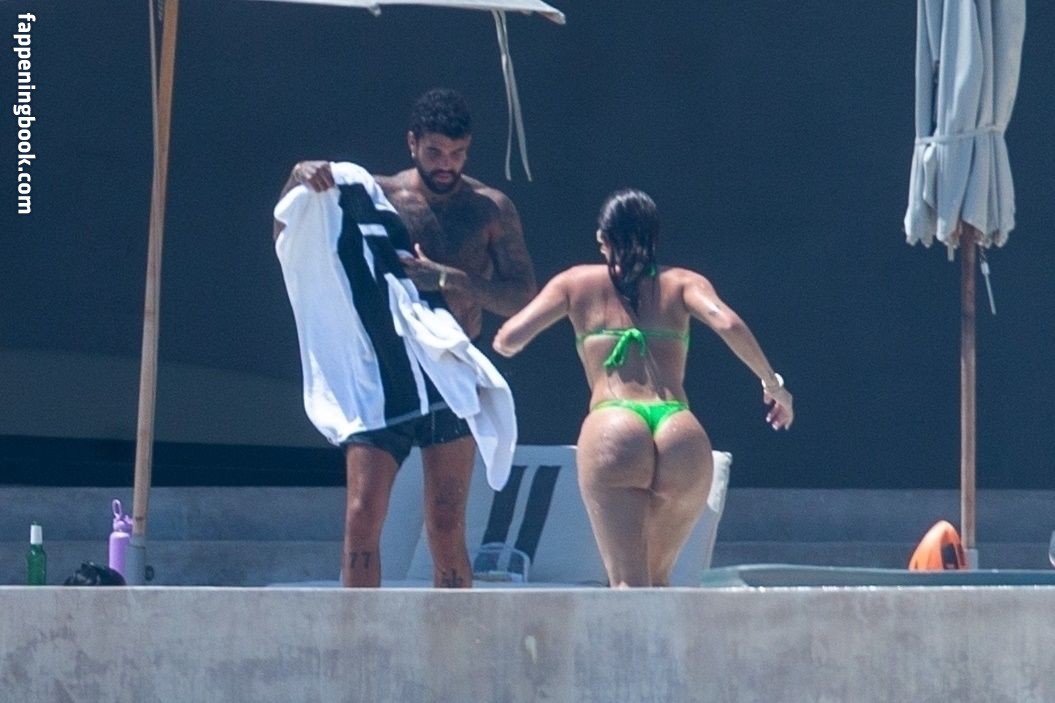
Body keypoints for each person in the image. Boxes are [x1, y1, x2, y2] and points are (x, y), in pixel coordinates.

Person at [275, 88, 537, 588]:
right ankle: (360, 632)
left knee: (445, 524)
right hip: (384, 374)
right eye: (435, 152)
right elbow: (293, 233)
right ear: (412, 142)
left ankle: (456, 632)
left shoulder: (489, 209)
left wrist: (449, 279)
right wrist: (298, 178)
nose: (446, 164)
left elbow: (521, 295)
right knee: (362, 515)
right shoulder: (374, 195)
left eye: (458, 153)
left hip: (450, 376)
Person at [493, 189, 793, 588]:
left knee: (629, 586)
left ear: (602, 239)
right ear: (655, 238)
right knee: (658, 580)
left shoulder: (574, 283)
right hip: (680, 431)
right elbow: (727, 323)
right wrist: (773, 384)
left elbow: (510, 339)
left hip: (613, 424)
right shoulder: (683, 283)